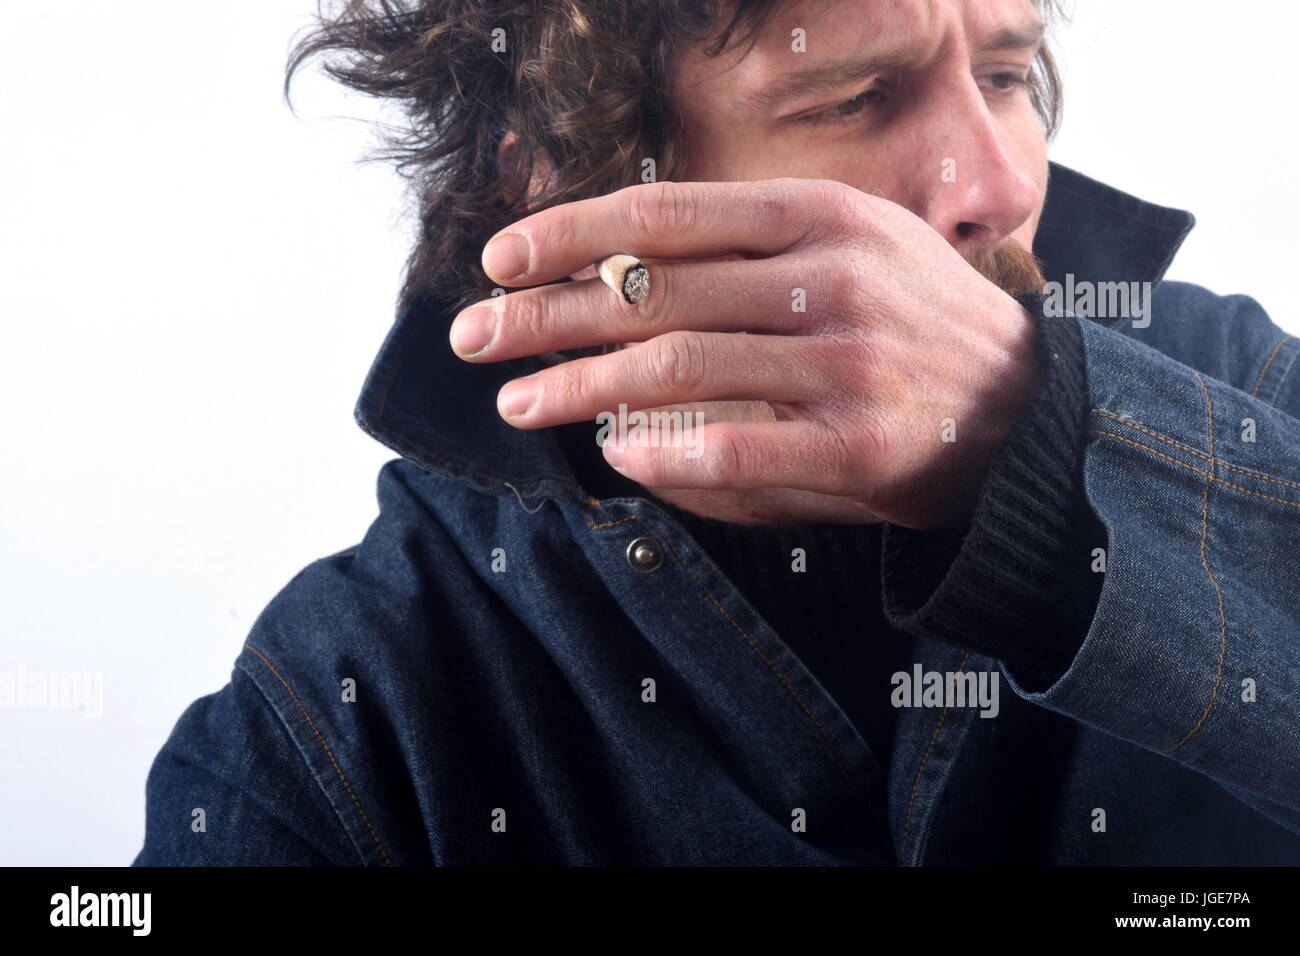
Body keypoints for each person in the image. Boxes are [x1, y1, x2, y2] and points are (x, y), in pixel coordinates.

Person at [133, 0, 1300, 865]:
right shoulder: (354, 713)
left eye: (1002, 75)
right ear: (560, 189)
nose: (997, 186)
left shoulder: (1236, 393)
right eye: (854, 98)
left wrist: (1029, 450)